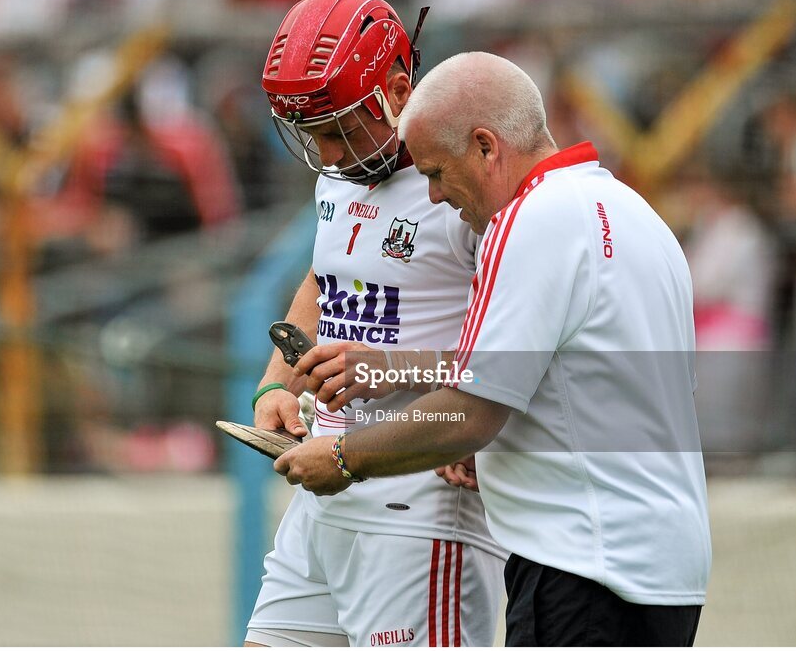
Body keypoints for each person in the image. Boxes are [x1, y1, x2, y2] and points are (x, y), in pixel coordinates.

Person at [278, 52, 712, 646]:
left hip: (582, 565)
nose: (432, 196)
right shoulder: (635, 215)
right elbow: (562, 373)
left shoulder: (526, 222)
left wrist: (346, 458)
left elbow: (471, 410)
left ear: (485, 146)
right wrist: (393, 368)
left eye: (435, 171)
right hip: (662, 569)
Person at [244, 0, 505, 647]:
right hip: (323, 484)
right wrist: (280, 383)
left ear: (396, 87)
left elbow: (515, 332)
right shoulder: (340, 175)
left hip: (421, 503)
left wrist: (481, 430)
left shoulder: (466, 181)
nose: (327, 154)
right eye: (314, 133)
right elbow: (323, 277)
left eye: (339, 130)